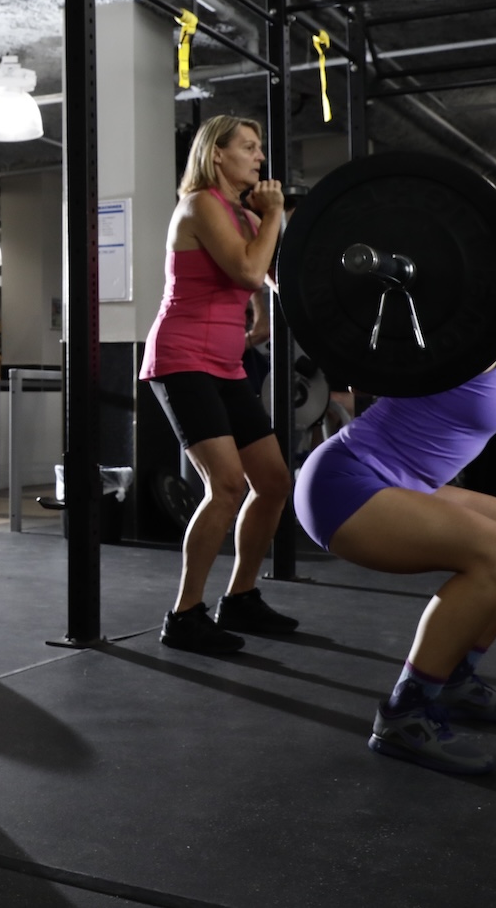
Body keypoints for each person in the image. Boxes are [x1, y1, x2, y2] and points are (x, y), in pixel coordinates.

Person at [293, 184, 496, 776]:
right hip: (348, 483)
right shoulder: (463, 330)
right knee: (495, 552)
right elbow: (372, 334)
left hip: (408, 482)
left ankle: (454, 674)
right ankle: (406, 713)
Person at [140, 115, 300, 656]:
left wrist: (279, 226)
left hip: (226, 364)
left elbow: (273, 281)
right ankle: (184, 614)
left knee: (274, 482)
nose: (259, 157)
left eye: (260, 148)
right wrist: (274, 215)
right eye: (249, 147)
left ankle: (242, 596)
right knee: (227, 486)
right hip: (182, 359)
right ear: (217, 156)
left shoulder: (243, 214)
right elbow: (249, 274)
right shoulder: (202, 204)